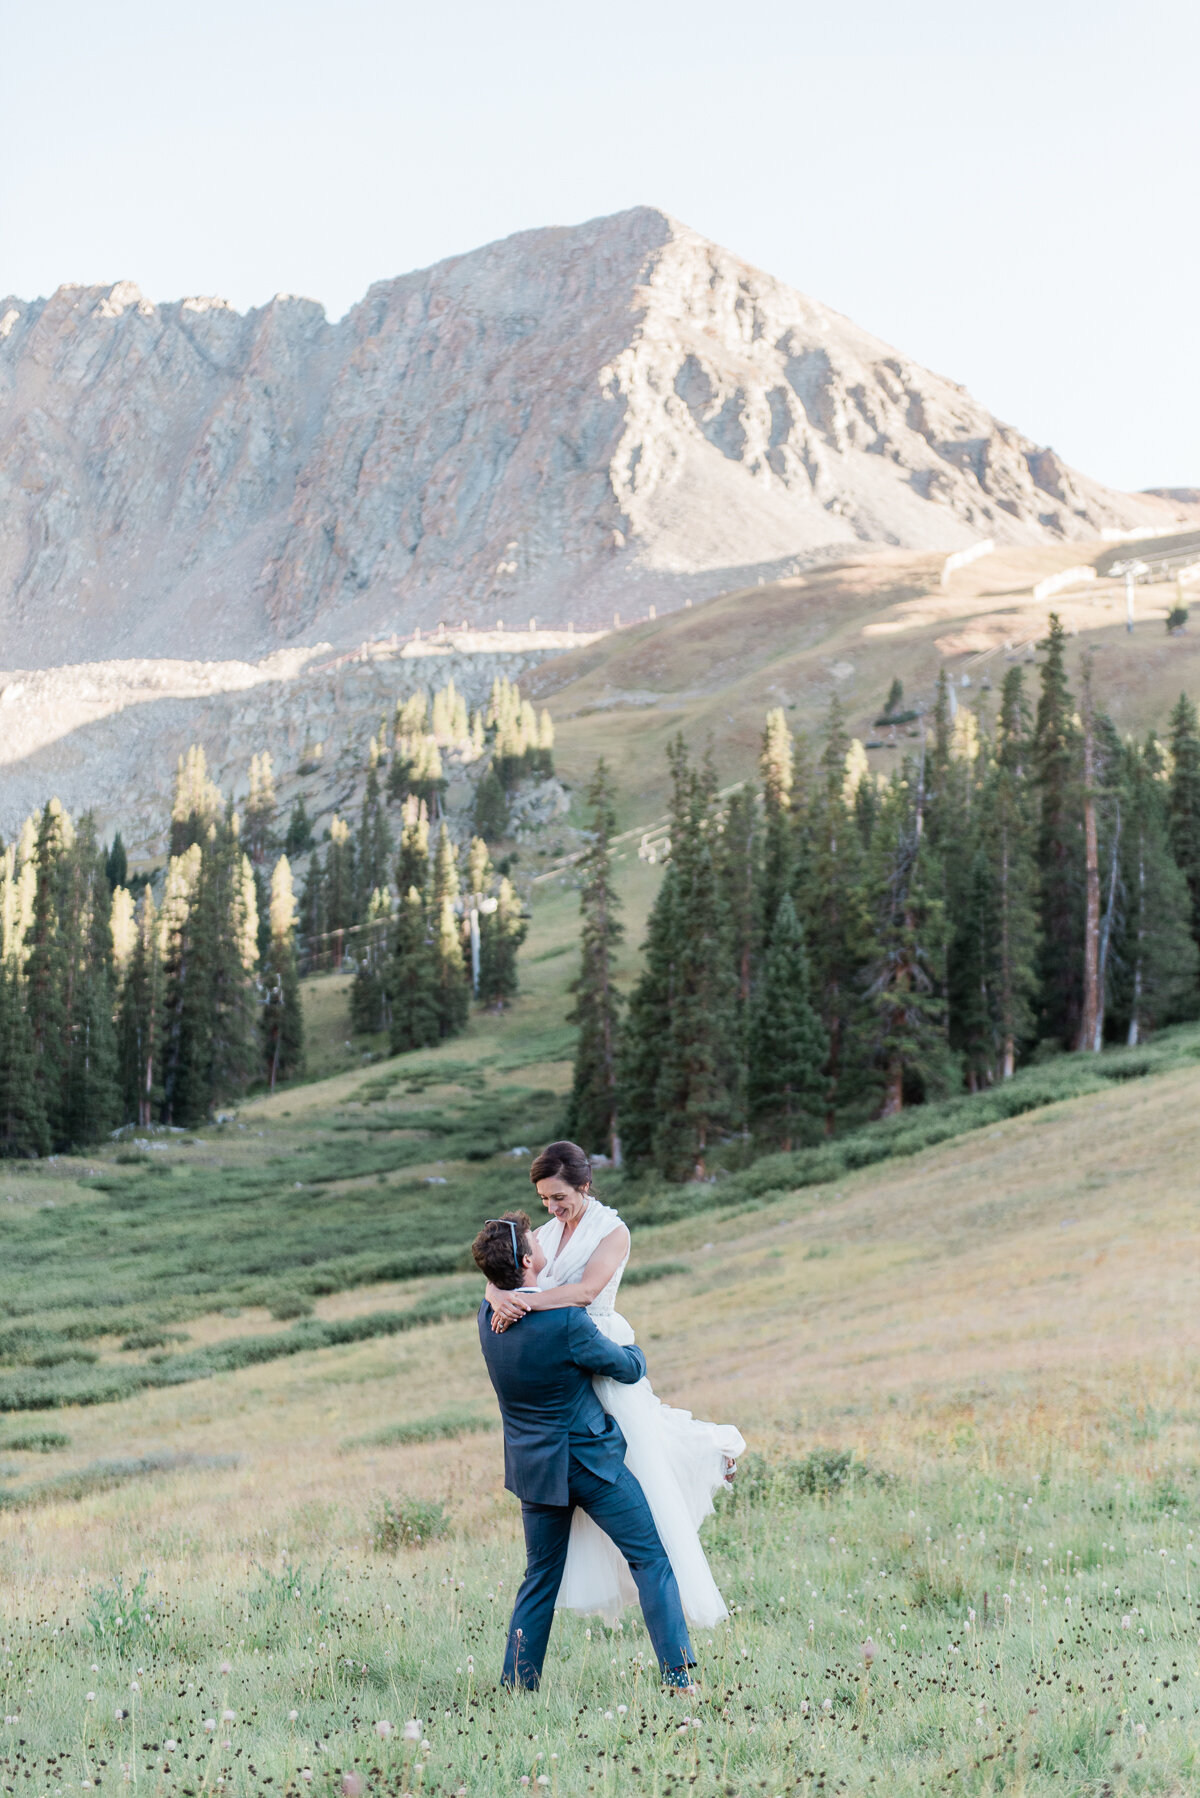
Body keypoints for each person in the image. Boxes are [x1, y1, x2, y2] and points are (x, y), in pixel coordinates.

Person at [482, 1140, 744, 1628]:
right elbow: (508, 1268)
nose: (552, 1209)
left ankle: (713, 1450)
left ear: (584, 1185)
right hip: (563, 1351)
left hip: (596, 1340)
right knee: (608, 1461)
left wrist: (525, 1302)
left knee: (640, 1448)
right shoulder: (549, 1230)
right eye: (543, 1200)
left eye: (559, 1198)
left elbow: (584, 1291)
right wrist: (497, 1296)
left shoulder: (613, 1232)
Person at [472, 1211, 695, 1692]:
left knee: (539, 1578)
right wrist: (634, 1350)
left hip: (533, 1470)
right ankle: (678, 1677)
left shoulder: (489, 1319)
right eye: (533, 1239)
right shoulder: (567, 1323)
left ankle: (516, 1683)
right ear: (529, 1260)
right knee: (651, 1560)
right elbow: (626, 1370)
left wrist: (495, 1290)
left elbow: (495, 1289)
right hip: (591, 1465)